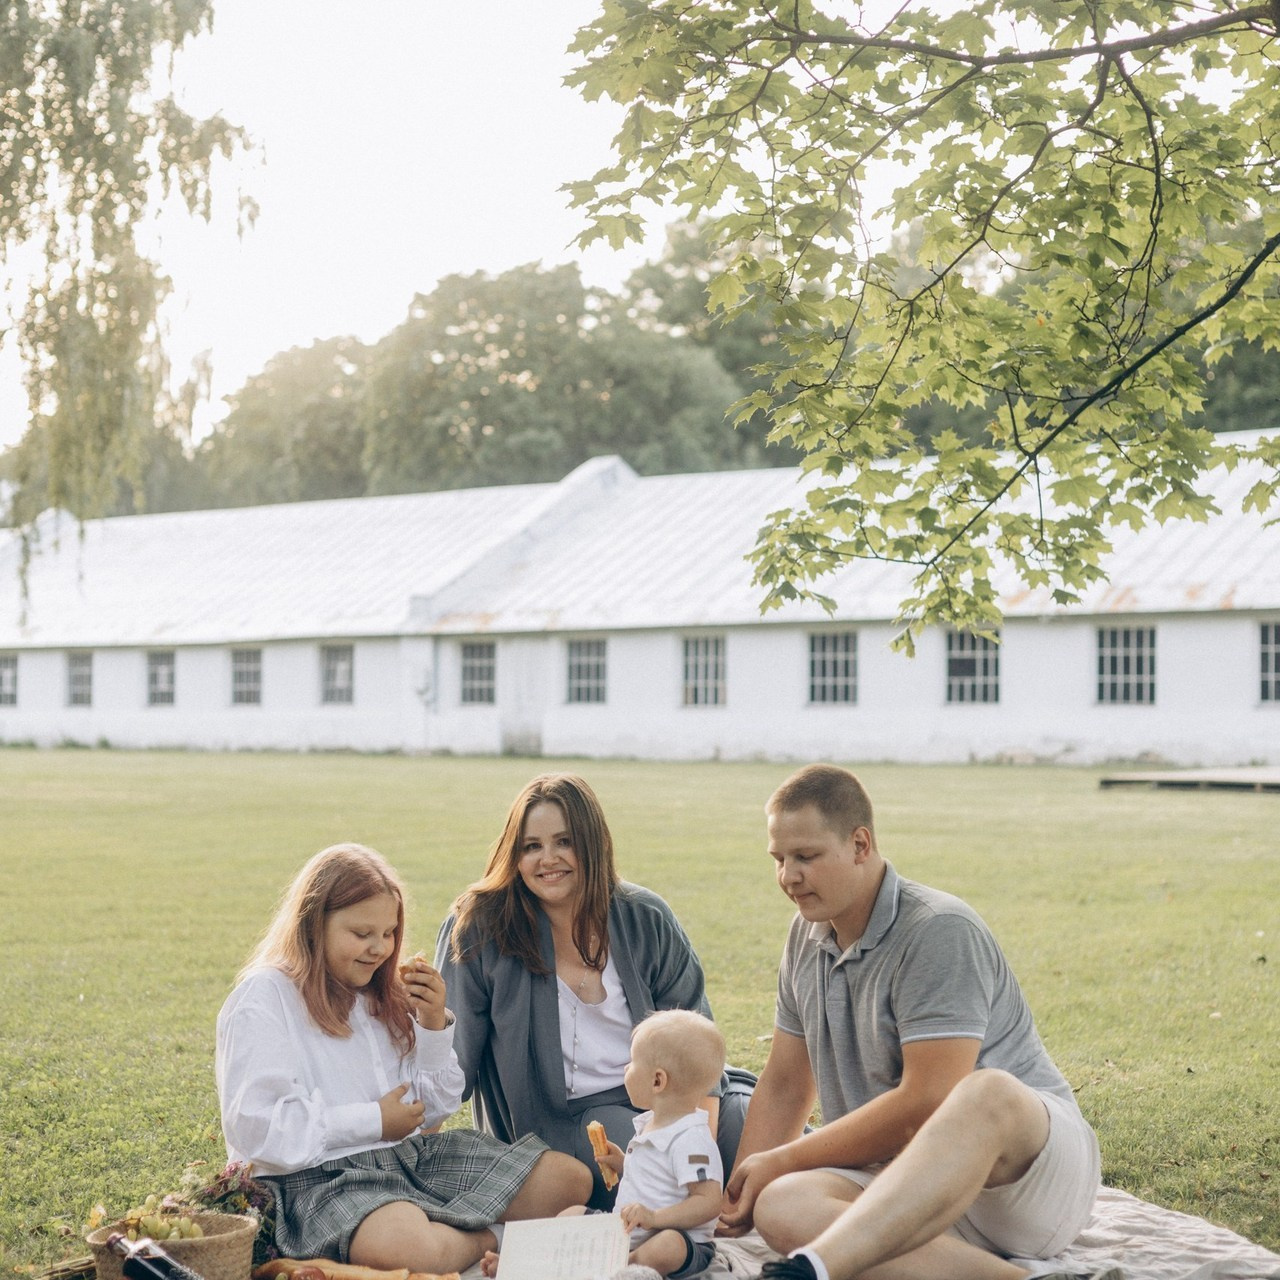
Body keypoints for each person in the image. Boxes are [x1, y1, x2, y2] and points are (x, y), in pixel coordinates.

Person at [720, 765, 1111, 1280]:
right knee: (781, 1205)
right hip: (900, 1187)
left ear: (860, 844)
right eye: (779, 859)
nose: (788, 876)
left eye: (806, 857)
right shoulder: (806, 935)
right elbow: (787, 1084)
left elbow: (928, 1099)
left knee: (983, 1090)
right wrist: (736, 1200)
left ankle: (823, 1265)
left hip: (1024, 1185)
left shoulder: (938, 928)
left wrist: (787, 1157)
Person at [215, 842, 592, 1276]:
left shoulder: (381, 990)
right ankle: (494, 1241)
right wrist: (374, 1120)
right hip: (318, 1179)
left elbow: (433, 1108)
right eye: (361, 934)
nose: (379, 949)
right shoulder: (265, 998)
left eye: (389, 933)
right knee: (407, 1247)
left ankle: (451, 1240)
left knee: (568, 1180)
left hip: (409, 1158)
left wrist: (432, 1025)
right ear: (314, 924)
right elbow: (257, 1128)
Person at [435, 773, 752, 1206]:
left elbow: (696, 1044)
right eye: (532, 846)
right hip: (571, 1119)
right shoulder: (479, 929)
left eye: (564, 842)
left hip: (672, 1100)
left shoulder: (644, 917)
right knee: (650, 1179)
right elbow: (452, 1063)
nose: (548, 859)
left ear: (592, 844)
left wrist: (700, 1156)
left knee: (762, 1142)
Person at [574, 1010, 726, 1279]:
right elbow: (655, 1176)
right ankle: (543, 1257)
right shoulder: (651, 1124)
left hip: (681, 1240)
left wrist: (656, 1218)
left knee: (668, 1247)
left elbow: (709, 1202)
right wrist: (622, 1162)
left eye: (632, 1062)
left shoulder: (691, 1140)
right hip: (629, 1230)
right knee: (572, 1213)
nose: (625, 1069)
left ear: (657, 1080)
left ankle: (617, 1266)